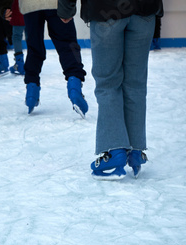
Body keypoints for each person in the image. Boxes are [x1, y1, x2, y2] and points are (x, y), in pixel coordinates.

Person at [58, 0, 163, 180]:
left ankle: (115, 151)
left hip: (105, 9)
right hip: (144, 10)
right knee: (136, 83)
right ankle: (136, 150)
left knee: (108, 83)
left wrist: (66, 9)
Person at [17, 0, 88, 116]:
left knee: (34, 48)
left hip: (30, 5)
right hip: (58, 4)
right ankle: (74, 87)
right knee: (68, 46)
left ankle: (31, 91)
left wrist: (5, 6)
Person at [0, 0, 25, 75]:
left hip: (18, 7)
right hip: (32, 8)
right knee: (31, 36)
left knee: (17, 36)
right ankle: (32, 63)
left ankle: (19, 63)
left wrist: (4, 9)